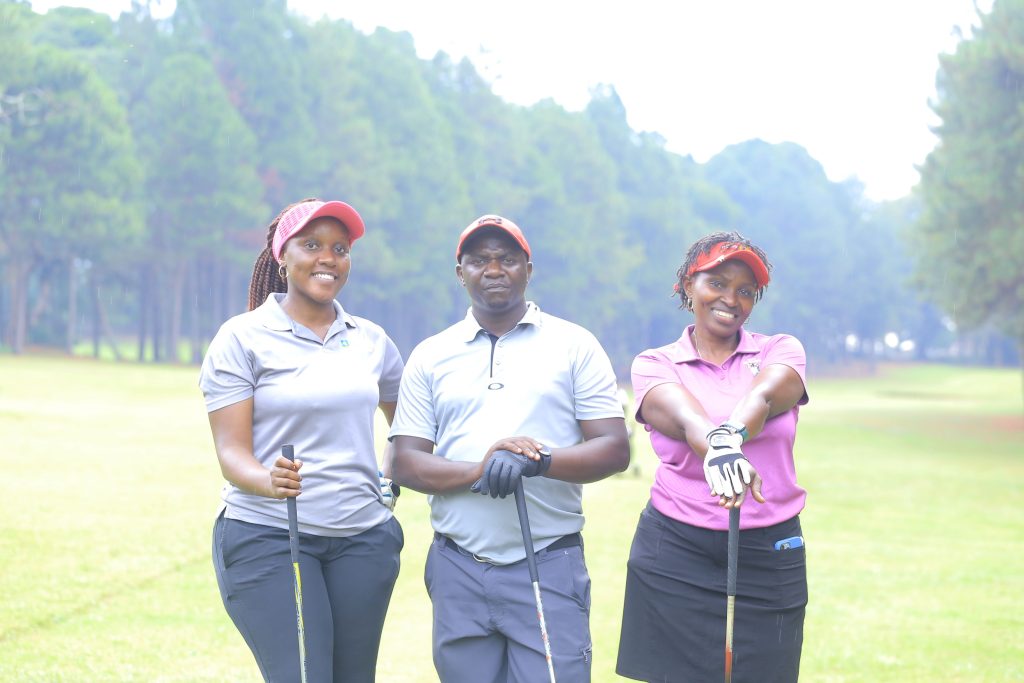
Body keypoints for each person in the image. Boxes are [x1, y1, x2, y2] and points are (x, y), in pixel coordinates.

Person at [389, 214, 631, 682]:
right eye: (479, 260)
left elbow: (613, 448)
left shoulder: (573, 345)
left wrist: (536, 461)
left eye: (507, 259)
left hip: (547, 559)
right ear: (460, 273)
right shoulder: (431, 354)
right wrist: (483, 467)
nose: (494, 269)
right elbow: (405, 462)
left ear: (528, 270)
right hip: (458, 564)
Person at [199, 198, 405, 682]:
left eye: (340, 248)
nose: (327, 258)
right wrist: (267, 480)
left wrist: (389, 479)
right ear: (282, 256)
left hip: (362, 541)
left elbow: (410, 426)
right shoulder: (242, 337)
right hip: (270, 535)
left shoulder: (371, 340)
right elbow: (231, 453)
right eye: (311, 245)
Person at [615, 231, 810, 683]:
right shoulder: (655, 363)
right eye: (717, 283)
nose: (731, 299)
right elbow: (685, 417)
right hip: (675, 550)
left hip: (768, 551)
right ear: (689, 285)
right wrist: (717, 447)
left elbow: (764, 396)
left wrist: (730, 437)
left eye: (746, 290)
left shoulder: (780, 349)